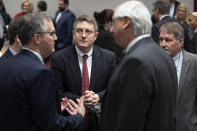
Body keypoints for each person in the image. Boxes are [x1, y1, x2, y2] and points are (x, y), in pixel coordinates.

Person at [0, 12, 85, 131]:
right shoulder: (41, 73)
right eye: (52, 33)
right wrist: (79, 117)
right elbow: (51, 126)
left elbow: (20, 110)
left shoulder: (4, 64)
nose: (56, 38)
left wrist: (51, 109)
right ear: (37, 38)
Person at [101, 1, 177, 131]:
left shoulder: (136, 62)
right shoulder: (162, 54)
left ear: (126, 22)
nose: (111, 30)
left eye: (114, 23)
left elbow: (130, 122)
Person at [51, 15, 116, 131]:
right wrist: (83, 99)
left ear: (95, 36)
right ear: (73, 34)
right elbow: (57, 91)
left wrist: (97, 97)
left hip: (100, 122)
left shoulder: (108, 57)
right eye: (79, 31)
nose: (84, 35)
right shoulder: (59, 58)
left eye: (88, 31)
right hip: (71, 120)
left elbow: (114, 87)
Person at [159, 22, 197, 131]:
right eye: (161, 39)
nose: (162, 44)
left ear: (180, 42)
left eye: (168, 40)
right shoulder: (153, 62)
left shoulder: (194, 62)